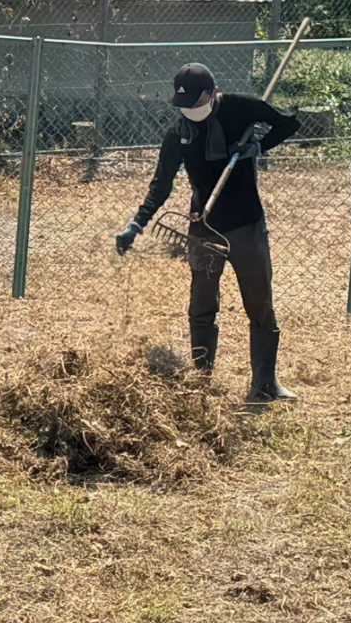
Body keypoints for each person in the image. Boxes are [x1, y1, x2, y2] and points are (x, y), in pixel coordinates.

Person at [116, 61, 301, 403]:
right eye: (184, 106)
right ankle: (201, 383)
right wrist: (136, 223)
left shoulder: (241, 108)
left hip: (247, 225)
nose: (190, 111)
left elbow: (289, 122)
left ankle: (265, 385)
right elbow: (161, 184)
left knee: (259, 303)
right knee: (201, 304)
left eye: (196, 104)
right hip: (204, 228)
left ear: (212, 94)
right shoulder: (178, 134)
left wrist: (260, 146)